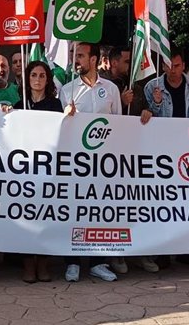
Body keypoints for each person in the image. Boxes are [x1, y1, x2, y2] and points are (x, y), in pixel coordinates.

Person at [60, 42, 121, 283]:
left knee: (100, 212)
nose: (77, 60)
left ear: (94, 60)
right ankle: (72, 261)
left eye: (82, 56)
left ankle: (98, 262)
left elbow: (119, 123)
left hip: (104, 163)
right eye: (75, 55)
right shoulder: (67, 90)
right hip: (76, 163)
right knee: (74, 210)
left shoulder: (112, 89)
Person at [144, 47, 189, 268]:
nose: (172, 70)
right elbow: (148, 117)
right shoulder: (152, 86)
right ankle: (163, 251)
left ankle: (186, 249)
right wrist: (157, 103)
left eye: (177, 66)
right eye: (168, 65)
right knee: (164, 201)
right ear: (162, 66)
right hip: (163, 151)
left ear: (183, 66)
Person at [99, 46, 156, 274]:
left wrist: (148, 112)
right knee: (112, 208)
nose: (129, 64)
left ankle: (143, 253)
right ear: (113, 63)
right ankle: (116, 255)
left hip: (133, 155)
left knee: (136, 206)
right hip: (107, 157)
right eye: (125, 60)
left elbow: (146, 112)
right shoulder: (103, 85)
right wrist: (120, 103)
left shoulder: (137, 86)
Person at [14, 61, 61, 283]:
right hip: (24, 171)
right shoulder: (19, 104)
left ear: (48, 79)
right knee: (26, 219)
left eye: (42, 75)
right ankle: (28, 265)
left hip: (47, 168)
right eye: (34, 74)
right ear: (27, 78)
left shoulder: (56, 104)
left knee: (45, 218)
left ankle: (43, 264)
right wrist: (7, 113)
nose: (38, 79)